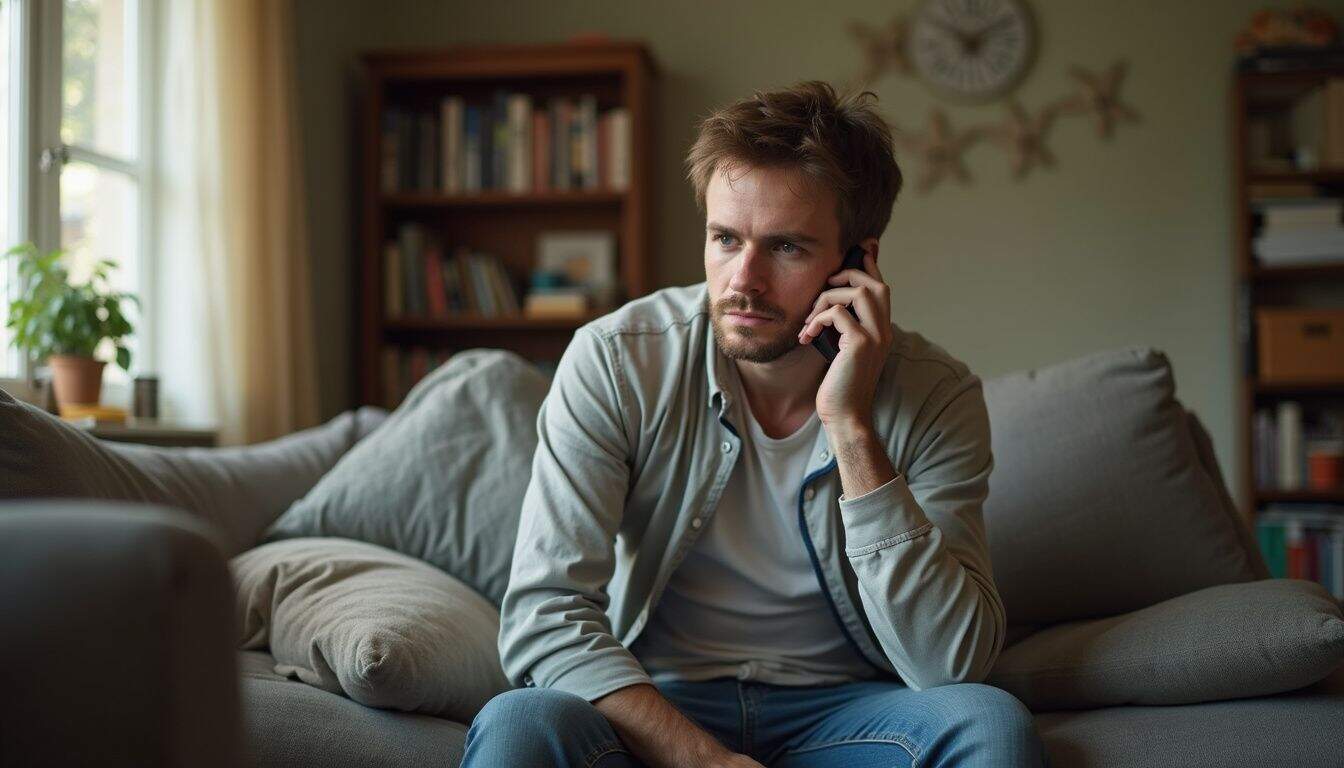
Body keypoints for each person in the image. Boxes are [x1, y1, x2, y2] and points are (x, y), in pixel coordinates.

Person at [461, 81, 1048, 768]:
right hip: (656, 700)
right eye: (724, 238)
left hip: (847, 709)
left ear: (858, 262)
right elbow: (545, 615)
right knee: (519, 724)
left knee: (989, 724)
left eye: (787, 248)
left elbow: (950, 664)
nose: (744, 280)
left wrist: (851, 427)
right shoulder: (618, 361)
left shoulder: (935, 395)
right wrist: (703, 760)